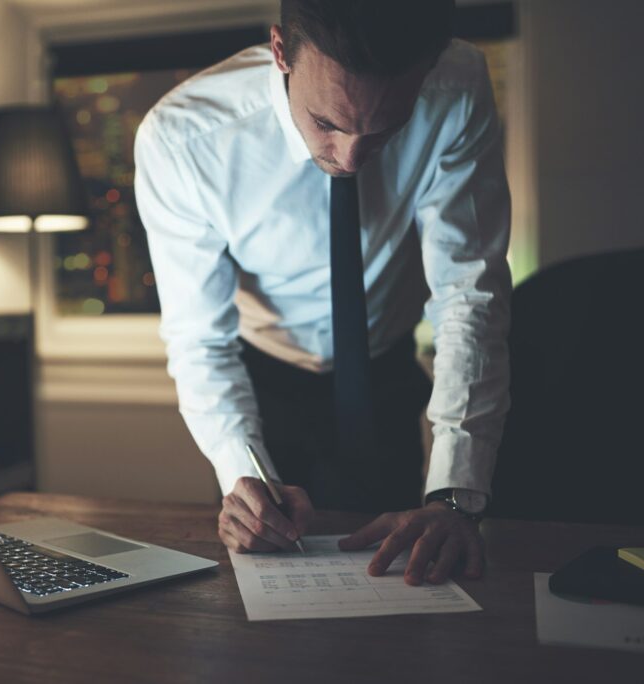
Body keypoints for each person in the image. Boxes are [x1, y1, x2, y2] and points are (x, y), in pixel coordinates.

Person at [134, 0, 511, 586]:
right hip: (264, 380)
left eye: (387, 129)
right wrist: (241, 474)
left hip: (383, 373)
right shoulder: (184, 140)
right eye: (327, 123)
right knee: (260, 578)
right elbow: (199, 338)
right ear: (281, 51)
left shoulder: (456, 87)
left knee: (400, 583)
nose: (350, 158)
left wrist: (456, 496)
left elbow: (470, 294)